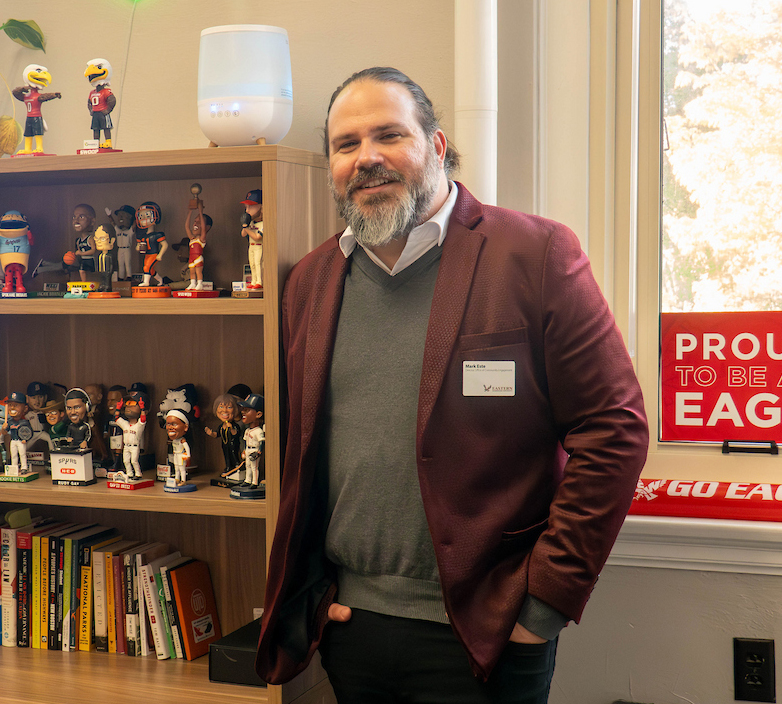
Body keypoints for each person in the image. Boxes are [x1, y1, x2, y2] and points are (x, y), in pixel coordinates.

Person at [255, 67, 649, 703]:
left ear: (436, 147)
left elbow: (615, 430)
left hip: (486, 633)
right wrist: (317, 596)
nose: (367, 159)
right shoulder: (310, 281)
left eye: (389, 135)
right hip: (352, 629)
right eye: (346, 144)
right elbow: (306, 452)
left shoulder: (534, 254)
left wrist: (541, 608)